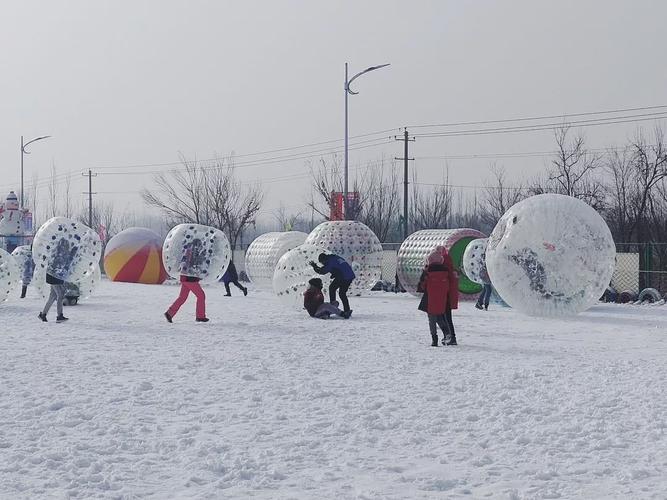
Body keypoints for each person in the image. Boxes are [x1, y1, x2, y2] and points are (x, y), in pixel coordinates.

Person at [165, 238, 209, 323]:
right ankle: (200, 316)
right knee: (201, 295)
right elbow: (193, 265)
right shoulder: (193, 253)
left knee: (182, 297)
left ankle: (169, 313)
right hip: (190, 279)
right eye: (199, 245)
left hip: (185, 278)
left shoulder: (188, 251)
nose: (200, 247)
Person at [417, 251, 452, 346]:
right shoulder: (446, 271)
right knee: (440, 315)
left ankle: (434, 339)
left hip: (431, 297)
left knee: (432, 318)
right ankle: (447, 333)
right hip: (442, 298)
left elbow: (422, 285)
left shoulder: (428, 271)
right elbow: (448, 285)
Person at [38, 239, 77, 323]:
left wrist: (73, 252)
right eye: (67, 245)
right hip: (54, 277)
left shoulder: (57, 252)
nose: (67, 246)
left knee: (52, 297)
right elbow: (66, 262)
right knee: (60, 295)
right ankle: (59, 316)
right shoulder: (60, 253)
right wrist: (73, 252)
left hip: (53, 277)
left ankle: (43, 314)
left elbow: (66, 261)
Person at [309, 253, 355, 319]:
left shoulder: (330, 262)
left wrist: (314, 266)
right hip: (350, 276)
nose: (322, 264)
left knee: (332, 288)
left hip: (344, 277)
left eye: (322, 262)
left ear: (324, 260)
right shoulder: (333, 257)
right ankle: (347, 310)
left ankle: (333, 306)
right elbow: (339, 267)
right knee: (342, 294)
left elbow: (322, 271)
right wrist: (334, 273)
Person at [435, 245, 458, 345]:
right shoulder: (448, 264)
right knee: (444, 316)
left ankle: (451, 337)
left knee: (445, 316)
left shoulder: (444, 264)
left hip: (445, 294)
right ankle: (449, 336)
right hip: (447, 294)